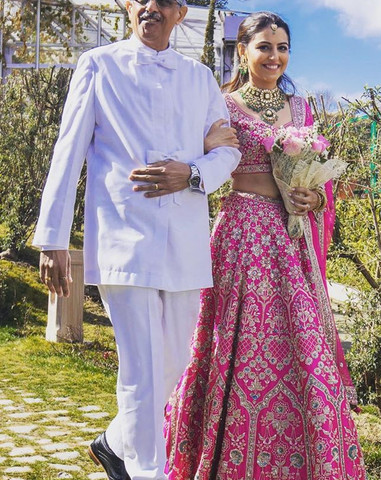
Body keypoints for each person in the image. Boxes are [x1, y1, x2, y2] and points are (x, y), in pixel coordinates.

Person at [32, 0, 241, 478]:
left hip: (187, 239)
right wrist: (53, 240)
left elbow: (227, 150)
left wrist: (191, 174)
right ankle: (149, 470)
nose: (151, 7)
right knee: (144, 370)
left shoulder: (200, 77)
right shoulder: (98, 65)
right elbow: (68, 151)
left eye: (163, 1)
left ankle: (115, 441)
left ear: (180, 12)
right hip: (124, 236)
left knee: (175, 361)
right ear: (128, 6)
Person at [164, 11, 367, 480]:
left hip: (291, 238)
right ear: (243, 51)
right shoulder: (221, 103)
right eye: (264, 47)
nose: (274, 56)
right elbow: (207, 161)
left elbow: (322, 178)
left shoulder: (302, 110)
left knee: (303, 342)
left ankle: (305, 461)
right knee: (238, 340)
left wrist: (314, 195)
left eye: (282, 48)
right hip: (244, 233)